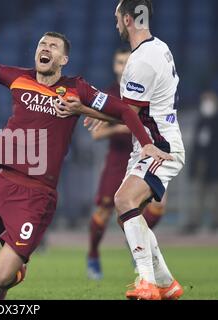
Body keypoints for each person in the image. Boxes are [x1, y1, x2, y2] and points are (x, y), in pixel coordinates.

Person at [0, 12, 170, 300]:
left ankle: (8, 275)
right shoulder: (19, 78)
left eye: (53, 47)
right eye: (42, 44)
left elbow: (125, 110)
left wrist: (145, 143)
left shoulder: (76, 90)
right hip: (2, 182)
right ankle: (8, 271)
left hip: (37, 194)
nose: (45, 49)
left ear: (64, 59)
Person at [55, 0, 185, 300]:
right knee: (127, 211)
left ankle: (147, 283)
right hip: (150, 144)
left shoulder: (139, 62)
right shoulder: (160, 47)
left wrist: (81, 107)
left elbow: (127, 114)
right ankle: (166, 282)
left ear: (128, 19)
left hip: (160, 146)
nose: (114, 24)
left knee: (124, 199)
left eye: (116, 18)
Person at [86, 48, 167, 280]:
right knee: (103, 211)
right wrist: (132, 124)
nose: (123, 66)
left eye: (127, 62)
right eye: (119, 62)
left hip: (144, 157)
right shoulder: (109, 95)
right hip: (117, 158)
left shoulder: (146, 91)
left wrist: (122, 123)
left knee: (156, 207)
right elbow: (96, 134)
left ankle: (136, 243)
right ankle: (92, 255)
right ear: (115, 66)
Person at [183, 91, 218, 233]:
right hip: (202, 163)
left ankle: (215, 221)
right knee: (198, 193)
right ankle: (195, 221)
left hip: (215, 163)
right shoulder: (201, 120)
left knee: (215, 193)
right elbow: (197, 146)